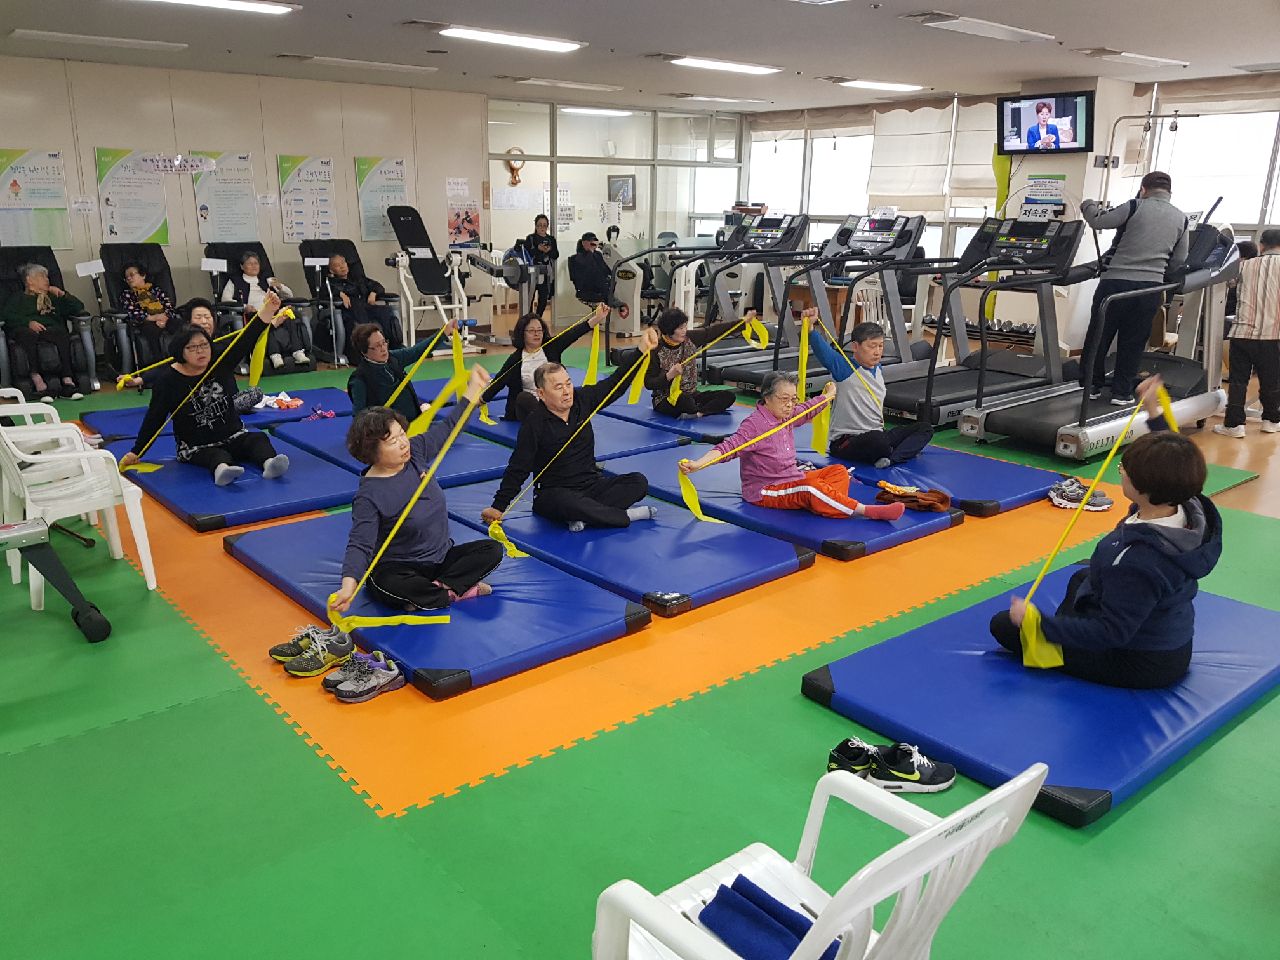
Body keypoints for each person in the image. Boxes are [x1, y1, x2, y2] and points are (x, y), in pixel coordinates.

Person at [990, 376, 1221, 689]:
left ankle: (1055, 644)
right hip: (1169, 638)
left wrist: (1040, 624)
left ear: (1143, 488)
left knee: (1004, 625)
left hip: (1140, 661)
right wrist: (1153, 409)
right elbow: (1173, 453)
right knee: (1081, 577)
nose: (1121, 471)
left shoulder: (1140, 561)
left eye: (1125, 471)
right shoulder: (1188, 501)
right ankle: (1067, 628)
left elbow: (1112, 633)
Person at [334, 366, 504, 616]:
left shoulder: (415, 452)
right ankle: (452, 590)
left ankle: (436, 593)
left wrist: (472, 391)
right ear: (372, 451)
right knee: (382, 583)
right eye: (393, 441)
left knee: (492, 550)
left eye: (402, 434)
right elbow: (360, 543)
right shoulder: (369, 495)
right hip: (402, 568)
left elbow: (449, 428)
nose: (403, 443)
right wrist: (348, 586)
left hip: (442, 559)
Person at [480, 327, 661, 532]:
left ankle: (586, 517)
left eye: (568, 384)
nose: (567, 392)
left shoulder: (582, 399)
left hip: (591, 486)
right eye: (558, 387)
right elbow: (518, 468)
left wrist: (640, 351)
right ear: (541, 394)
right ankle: (625, 516)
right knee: (568, 503)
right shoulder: (535, 423)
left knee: (638, 482)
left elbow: (615, 384)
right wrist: (498, 507)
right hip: (554, 494)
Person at [679, 371, 905, 521]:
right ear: (767, 397)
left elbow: (807, 410)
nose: (790, 405)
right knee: (811, 488)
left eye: (793, 399)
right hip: (766, 490)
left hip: (791, 478)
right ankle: (866, 511)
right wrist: (698, 464)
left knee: (838, 472)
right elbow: (729, 447)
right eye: (784, 399)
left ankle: (826, 502)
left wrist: (828, 396)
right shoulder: (755, 424)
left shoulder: (785, 415)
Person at [119, 293, 292, 485]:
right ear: (181, 352)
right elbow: (155, 418)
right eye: (192, 348)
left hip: (232, 435)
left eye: (204, 346)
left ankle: (269, 464)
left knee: (258, 440)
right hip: (197, 446)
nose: (200, 351)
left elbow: (246, 339)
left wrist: (268, 310)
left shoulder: (219, 360)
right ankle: (222, 471)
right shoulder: (168, 380)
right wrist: (137, 451)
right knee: (217, 455)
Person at [1080, 171, 1189, 405]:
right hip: (1149, 289)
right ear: (1169, 192)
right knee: (1134, 342)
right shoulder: (1181, 218)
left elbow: (1098, 221)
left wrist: (1087, 205)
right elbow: (1179, 260)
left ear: (1143, 189)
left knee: (1099, 337)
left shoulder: (1134, 206)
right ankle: (1121, 393)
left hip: (1115, 284)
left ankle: (1091, 386)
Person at [806, 311, 932, 467]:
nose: (877, 352)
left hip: (878, 434)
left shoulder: (877, 369)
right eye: (872, 346)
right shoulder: (845, 369)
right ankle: (894, 452)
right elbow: (824, 352)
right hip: (847, 442)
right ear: (855, 346)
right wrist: (811, 328)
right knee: (877, 440)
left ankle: (891, 458)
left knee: (925, 428)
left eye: (880, 346)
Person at [482, 304, 607, 421]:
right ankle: (551, 419)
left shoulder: (551, 346)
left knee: (577, 393)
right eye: (531, 331)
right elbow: (498, 382)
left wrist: (597, 318)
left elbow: (573, 333)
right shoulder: (516, 359)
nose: (537, 334)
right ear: (522, 334)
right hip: (531, 409)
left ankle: (558, 416)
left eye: (539, 330)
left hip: (555, 403)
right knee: (524, 398)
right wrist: (479, 401)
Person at [1216, 228, 1280, 438]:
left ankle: (1234, 425)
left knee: (1238, 381)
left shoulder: (1244, 265)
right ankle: (1271, 420)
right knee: (1272, 380)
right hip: (1273, 335)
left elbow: (1226, 284)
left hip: (1242, 332)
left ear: (1261, 245)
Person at [1, 262, 85, 400]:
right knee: (28, 335)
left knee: (61, 333)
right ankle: (37, 379)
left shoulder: (52, 297)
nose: (47, 280)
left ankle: (67, 379)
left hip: (50, 331)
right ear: (29, 280)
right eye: (42, 277)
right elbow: (6, 316)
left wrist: (63, 294)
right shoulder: (18, 299)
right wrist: (28, 323)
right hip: (27, 331)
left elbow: (79, 307)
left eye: (47, 277)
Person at [347, 319, 456, 422]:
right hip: (393, 431)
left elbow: (418, 351)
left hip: (416, 421)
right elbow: (359, 418)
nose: (383, 348)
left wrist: (444, 332)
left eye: (384, 342)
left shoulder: (393, 358)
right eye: (377, 346)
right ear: (364, 352)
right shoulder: (360, 379)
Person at [220, 251, 310, 370]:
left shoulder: (266, 279)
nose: (254, 266)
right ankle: (275, 355)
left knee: (289, 316)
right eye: (250, 263)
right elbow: (225, 299)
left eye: (256, 263)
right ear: (242, 266)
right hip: (253, 313)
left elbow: (289, 295)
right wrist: (245, 306)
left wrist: (280, 286)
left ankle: (298, 352)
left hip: (273, 310)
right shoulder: (234, 281)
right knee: (266, 321)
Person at [644, 307, 739, 418]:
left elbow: (713, 331)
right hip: (667, 399)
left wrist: (742, 323)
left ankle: (698, 413)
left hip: (692, 394)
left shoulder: (690, 339)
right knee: (685, 401)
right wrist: (669, 376)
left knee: (728, 396)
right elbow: (649, 383)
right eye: (680, 328)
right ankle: (693, 409)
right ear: (669, 330)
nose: (684, 331)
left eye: (685, 326)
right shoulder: (656, 351)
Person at [325, 253, 401, 355]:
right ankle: (366, 350)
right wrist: (339, 293)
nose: (342, 267)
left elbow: (378, 286)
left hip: (367, 307)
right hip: (349, 311)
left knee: (386, 311)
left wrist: (374, 293)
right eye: (337, 265)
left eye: (343, 263)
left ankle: (394, 346)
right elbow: (324, 292)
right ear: (331, 270)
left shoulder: (358, 279)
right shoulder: (330, 283)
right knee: (358, 309)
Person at [118, 261, 179, 360]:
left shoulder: (156, 290)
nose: (129, 278)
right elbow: (132, 313)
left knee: (178, 325)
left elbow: (169, 306)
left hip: (164, 318)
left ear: (143, 275)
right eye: (126, 277)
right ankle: (159, 361)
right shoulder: (127, 295)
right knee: (152, 331)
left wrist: (165, 318)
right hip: (145, 322)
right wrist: (153, 318)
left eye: (132, 275)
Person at [568, 232, 630, 320]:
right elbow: (588, 270)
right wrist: (590, 251)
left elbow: (605, 270)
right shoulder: (577, 258)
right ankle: (615, 302)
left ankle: (616, 302)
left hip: (601, 286)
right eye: (591, 242)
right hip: (587, 289)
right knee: (601, 281)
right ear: (584, 243)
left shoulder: (598, 255)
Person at [524, 214, 559, 317]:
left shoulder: (551, 239)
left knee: (544, 298)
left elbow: (556, 255)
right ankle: (528, 318)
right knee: (529, 297)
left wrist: (549, 250)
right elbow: (526, 253)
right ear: (536, 226)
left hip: (545, 272)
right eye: (539, 225)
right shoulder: (530, 238)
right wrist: (538, 249)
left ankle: (538, 318)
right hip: (531, 272)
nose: (542, 228)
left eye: (544, 225)